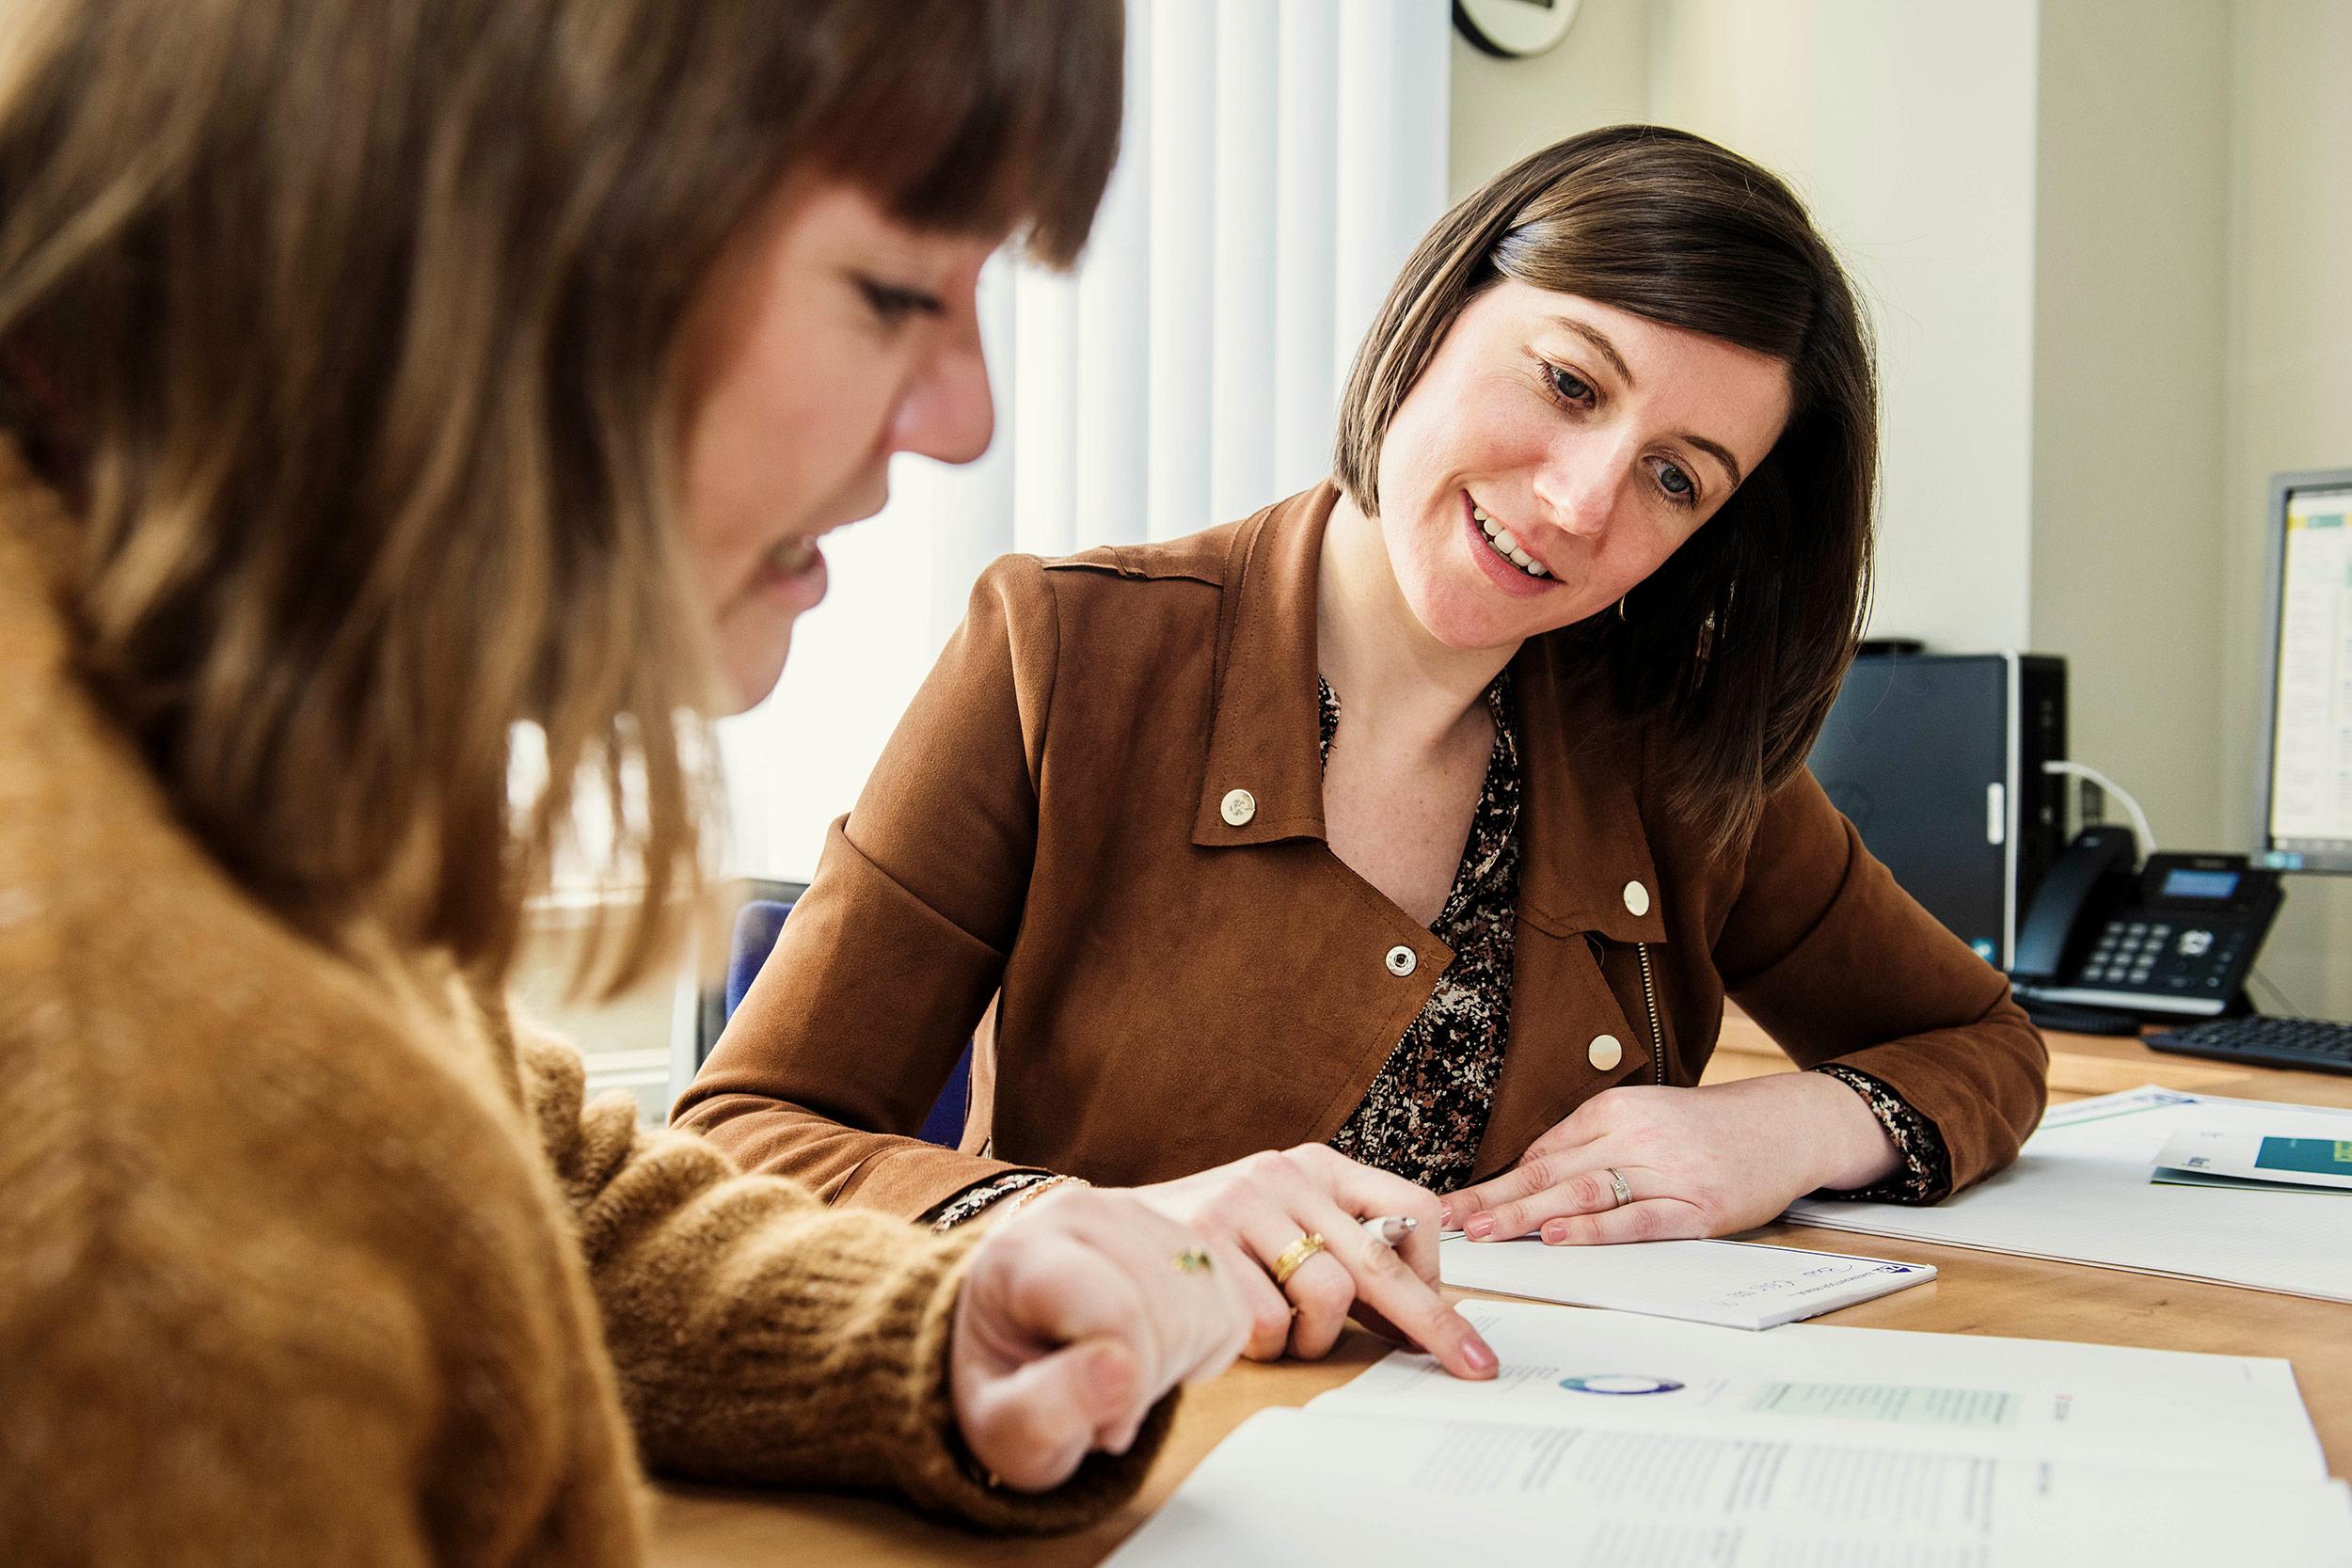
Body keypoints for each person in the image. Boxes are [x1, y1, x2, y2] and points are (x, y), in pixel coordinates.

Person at [0, 2, 1275, 1560]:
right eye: (893, 292)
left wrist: (924, 1328)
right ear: (470, 237)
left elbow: (520, 1188)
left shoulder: (238, 723)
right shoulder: (104, 1132)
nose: (969, 421)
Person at [677, 126, 2052, 1334]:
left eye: (1675, 480)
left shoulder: (1674, 747)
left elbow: (1980, 1041)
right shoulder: (1063, 651)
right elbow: (745, 1136)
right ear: (1438, 312)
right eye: (1570, 384)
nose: (1580, 504)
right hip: (1139, 1444)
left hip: (1564, 1447)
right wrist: (1095, 1223)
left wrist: (1787, 1127)